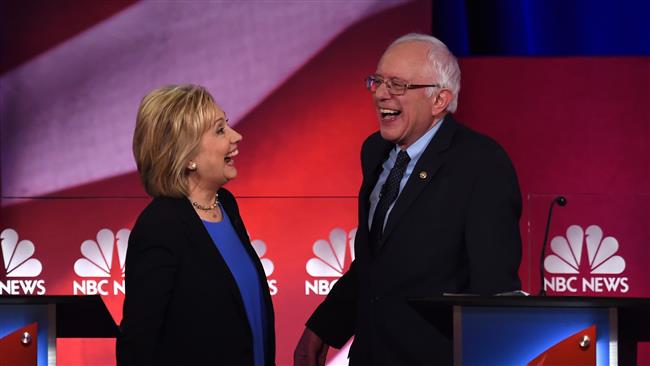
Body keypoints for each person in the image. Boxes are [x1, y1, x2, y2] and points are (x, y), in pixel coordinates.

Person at [294, 33, 522, 365]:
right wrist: (322, 328)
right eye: (377, 81)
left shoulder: (481, 163)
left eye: (398, 85)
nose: (380, 94)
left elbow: (492, 289)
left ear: (439, 100)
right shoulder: (374, 152)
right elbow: (375, 263)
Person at [116, 84, 275, 366]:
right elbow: (138, 344)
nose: (237, 136)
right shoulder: (160, 226)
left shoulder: (225, 204)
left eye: (227, 124)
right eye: (220, 130)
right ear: (186, 156)